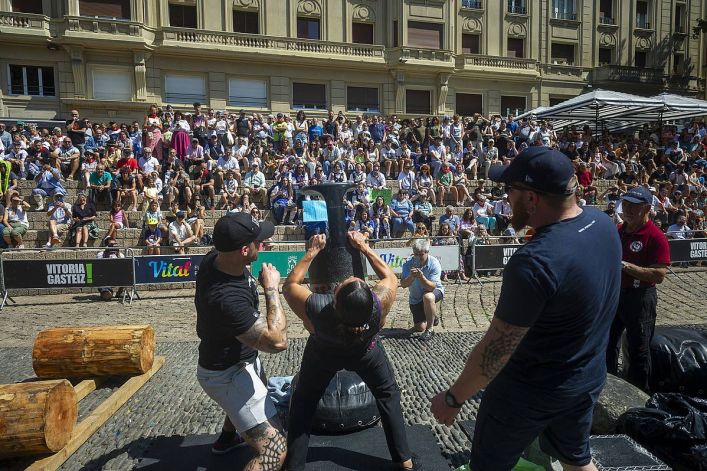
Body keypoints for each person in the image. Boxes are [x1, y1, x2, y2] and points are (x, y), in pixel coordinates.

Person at [431, 146, 622, 471]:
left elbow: (497, 349)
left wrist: (454, 397)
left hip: (527, 391)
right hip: (586, 378)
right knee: (577, 459)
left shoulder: (534, 261)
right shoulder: (602, 223)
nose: (505, 199)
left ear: (532, 198)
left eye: (510, 190)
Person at [282, 232, 417, 471]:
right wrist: (364, 247)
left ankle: (294, 466)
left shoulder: (318, 307)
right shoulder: (379, 303)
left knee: (303, 402)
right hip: (366, 352)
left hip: (323, 353)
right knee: (387, 395)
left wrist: (313, 251)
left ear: (334, 299)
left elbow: (290, 285)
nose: (351, 276)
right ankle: (403, 459)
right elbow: (389, 277)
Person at [195, 212, 288, 469]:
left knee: (244, 399)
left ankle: (226, 439)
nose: (265, 245)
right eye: (259, 242)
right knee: (275, 452)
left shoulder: (215, 258)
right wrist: (272, 289)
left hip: (236, 359)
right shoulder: (227, 300)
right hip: (228, 373)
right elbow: (278, 342)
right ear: (245, 250)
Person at [606, 186, 670, 391]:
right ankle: (608, 389)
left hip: (640, 298)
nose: (628, 209)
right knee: (607, 344)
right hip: (615, 295)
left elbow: (659, 276)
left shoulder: (656, 237)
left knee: (639, 350)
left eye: (634, 206)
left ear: (647, 209)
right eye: (625, 204)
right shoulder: (617, 231)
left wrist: (625, 266)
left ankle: (639, 395)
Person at [401, 238, 444, 341]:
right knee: (419, 328)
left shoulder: (434, 263)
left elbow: (431, 287)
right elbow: (403, 284)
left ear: (427, 252)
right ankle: (432, 315)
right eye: (416, 254)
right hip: (415, 298)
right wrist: (411, 276)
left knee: (428, 297)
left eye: (421, 254)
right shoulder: (407, 263)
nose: (418, 257)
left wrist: (421, 277)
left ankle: (430, 330)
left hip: (434, 291)